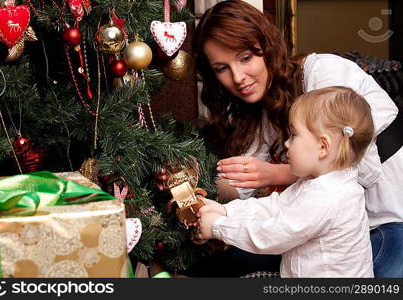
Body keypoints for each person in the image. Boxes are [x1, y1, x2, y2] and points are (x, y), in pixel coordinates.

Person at [157, 0, 402, 277]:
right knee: (231, 261)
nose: (238, 77)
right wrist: (187, 181)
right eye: (222, 68)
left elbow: (361, 169)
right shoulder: (264, 115)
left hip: (391, 218)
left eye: (246, 58)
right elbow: (242, 185)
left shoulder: (325, 75)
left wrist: (276, 174)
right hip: (321, 234)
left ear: (268, 48)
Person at [197, 86, 374, 277]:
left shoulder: (327, 196)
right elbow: (276, 206)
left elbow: (272, 235)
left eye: (294, 135)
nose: (287, 143)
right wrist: (226, 211)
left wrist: (218, 226)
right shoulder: (318, 181)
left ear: (322, 146)